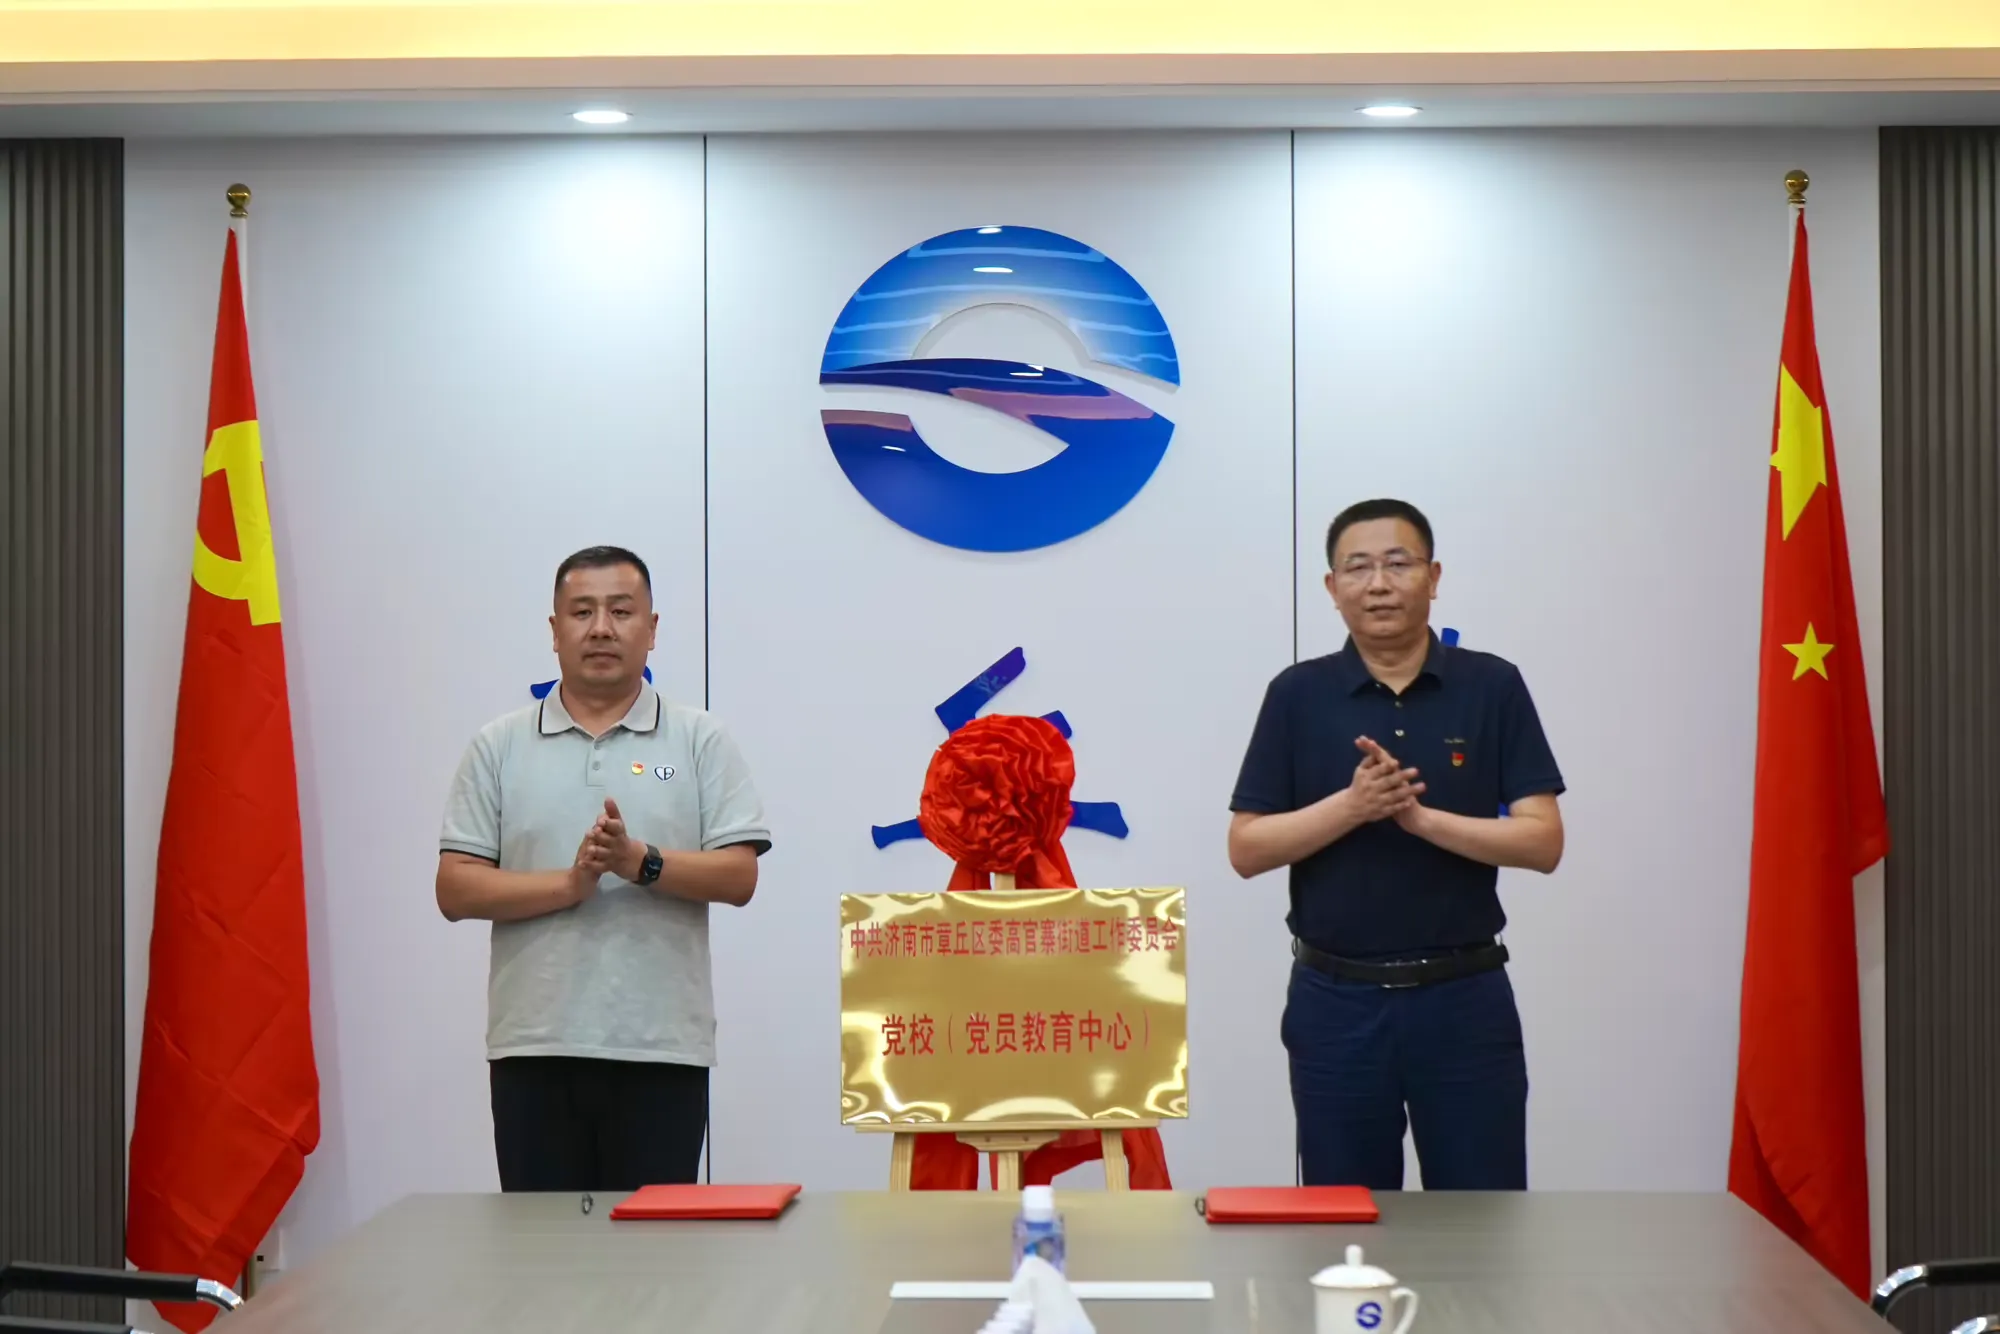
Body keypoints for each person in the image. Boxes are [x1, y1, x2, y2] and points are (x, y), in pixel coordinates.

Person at [1227, 499, 1565, 1190]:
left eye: (1398, 563)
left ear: (1433, 577)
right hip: (1336, 1003)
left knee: (1480, 1221)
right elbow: (1248, 849)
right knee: (1347, 1220)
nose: (1378, 584)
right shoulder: (1297, 694)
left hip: (1465, 998)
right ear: (1332, 588)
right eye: (1357, 568)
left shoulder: (1492, 685)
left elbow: (1543, 842)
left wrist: (1422, 821)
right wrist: (1353, 807)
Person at [437, 545, 770, 1192]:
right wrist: (570, 885)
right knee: (543, 1248)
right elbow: (455, 888)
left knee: (653, 1252)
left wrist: (640, 863)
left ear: (652, 628)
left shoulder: (698, 740)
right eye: (582, 611)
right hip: (534, 1047)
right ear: (554, 630)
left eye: (621, 611)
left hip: (662, 1050)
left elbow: (739, 876)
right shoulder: (499, 745)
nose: (601, 629)